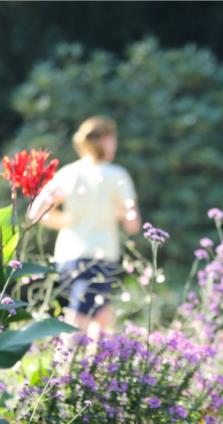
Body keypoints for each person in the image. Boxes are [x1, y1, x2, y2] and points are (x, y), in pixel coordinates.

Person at [28, 116, 141, 334]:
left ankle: (100, 364)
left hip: (67, 256)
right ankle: (65, 365)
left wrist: (64, 220)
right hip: (99, 258)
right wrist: (116, 213)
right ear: (106, 140)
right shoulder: (116, 176)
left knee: (102, 317)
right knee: (79, 318)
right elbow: (133, 224)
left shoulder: (69, 173)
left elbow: (36, 212)